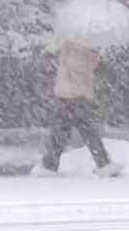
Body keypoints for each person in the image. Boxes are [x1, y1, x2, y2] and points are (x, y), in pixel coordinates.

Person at [39, 40, 111, 173]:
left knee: (60, 133)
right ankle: (103, 163)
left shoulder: (69, 48)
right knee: (88, 133)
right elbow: (95, 67)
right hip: (80, 97)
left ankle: (49, 166)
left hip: (67, 96)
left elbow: (59, 62)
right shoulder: (90, 54)